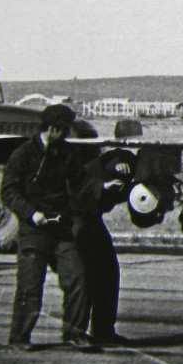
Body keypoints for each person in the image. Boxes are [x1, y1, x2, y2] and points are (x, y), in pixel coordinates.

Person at [1, 104, 99, 352]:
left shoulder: (67, 153)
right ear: (52, 128)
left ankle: (74, 333)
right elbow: (9, 191)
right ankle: (19, 337)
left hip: (61, 228)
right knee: (30, 286)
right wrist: (31, 213)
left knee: (78, 278)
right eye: (64, 130)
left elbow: (81, 183)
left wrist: (103, 187)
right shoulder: (23, 154)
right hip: (33, 230)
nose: (67, 134)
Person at [72, 148, 135, 345]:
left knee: (108, 272)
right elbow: (108, 158)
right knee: (83, 276)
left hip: (91, 219)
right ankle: (77, 333)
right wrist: (116, 163)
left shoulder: (122, 171)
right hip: (75, 219)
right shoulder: (92, 167)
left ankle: (103, 330)